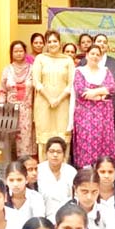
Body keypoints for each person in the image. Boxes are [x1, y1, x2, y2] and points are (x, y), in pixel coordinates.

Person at [32, 30, 75, 161]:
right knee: (44, 136)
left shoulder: (67, 60)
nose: (52, 44)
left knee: (62, 135)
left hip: (63, 104)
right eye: (49, 41)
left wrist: (59, 99)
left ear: (60, 43)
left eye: (55, 41)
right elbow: (36, 82)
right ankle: (44, 166)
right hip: (44, 103)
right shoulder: (40, 59)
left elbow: (71, 84)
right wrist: (50, 98)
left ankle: (63, 167)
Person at [72, 45, 115, 168]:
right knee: (87, 140)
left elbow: (112, 87)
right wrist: (102, 92)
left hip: (104, 115)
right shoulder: (79, 71)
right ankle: (87, 170)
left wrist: (93, 92)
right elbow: (81, 91)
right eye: (92, 53)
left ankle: (104, 169)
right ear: (86, 55)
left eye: (98, 54)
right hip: (85, 114)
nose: (95, 56)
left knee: (104, 141)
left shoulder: (105, 71)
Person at [79, 34, 115, 147]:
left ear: (107, 46)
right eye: (99, 41)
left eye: (104, 42)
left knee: (107, 137)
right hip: (87, 110)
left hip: (109, 108)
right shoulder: (83, 63)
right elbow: (79, 87)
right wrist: (100, 95)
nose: (101, 43)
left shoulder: (114, 63)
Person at [0, 40, 35, 157]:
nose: (18, 53)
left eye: (21, 51)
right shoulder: (7, 70)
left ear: (25, 53)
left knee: (27, 137)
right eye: (16, 51)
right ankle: (13, 163)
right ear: (12, 53)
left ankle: (26, 161)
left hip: (28, 111)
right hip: (11, 111)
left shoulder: (32, 69)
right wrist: (2, 107)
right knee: (13, 137)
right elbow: (2, 90)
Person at [37, 137, 76, 220]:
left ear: (64, 154)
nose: (55, 155)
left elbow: (75, 197)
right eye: (51, 151)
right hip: (43, 218)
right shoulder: (38, 170)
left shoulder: (71, 172)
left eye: (59, 152)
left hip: (67, 217)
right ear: (46, 153)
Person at [4, 161, 45, 229]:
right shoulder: (2, 198)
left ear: (26, 180)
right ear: (6, 181)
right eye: (11, 180)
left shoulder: (35, 197)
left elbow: (39, 222)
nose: (15, 184)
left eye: (19, 180)